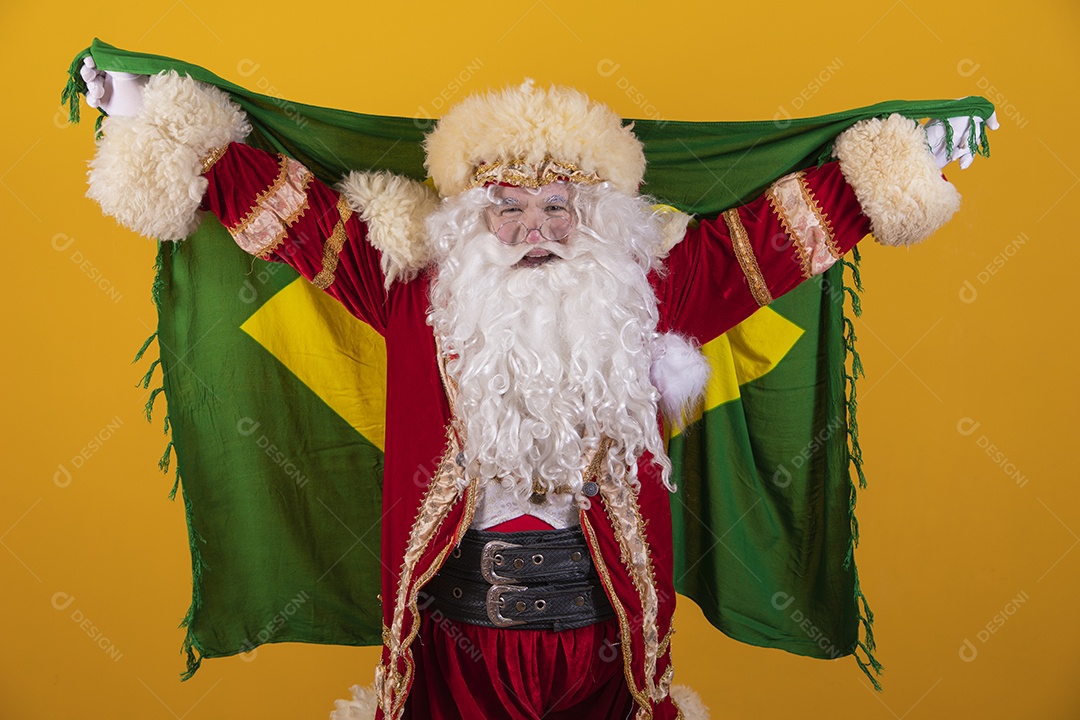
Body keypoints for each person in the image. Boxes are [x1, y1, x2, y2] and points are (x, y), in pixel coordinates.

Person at [80, 61, 994, 720]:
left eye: (558, 206)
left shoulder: (654, 290)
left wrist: (911, 160)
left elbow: (780, 233)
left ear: (594, 217)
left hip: (607, 642)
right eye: (508, 207)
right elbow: (294, 217)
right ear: (471, 219)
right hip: (454, 645)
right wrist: (159, 121)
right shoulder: (409, 292)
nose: (533, 230)